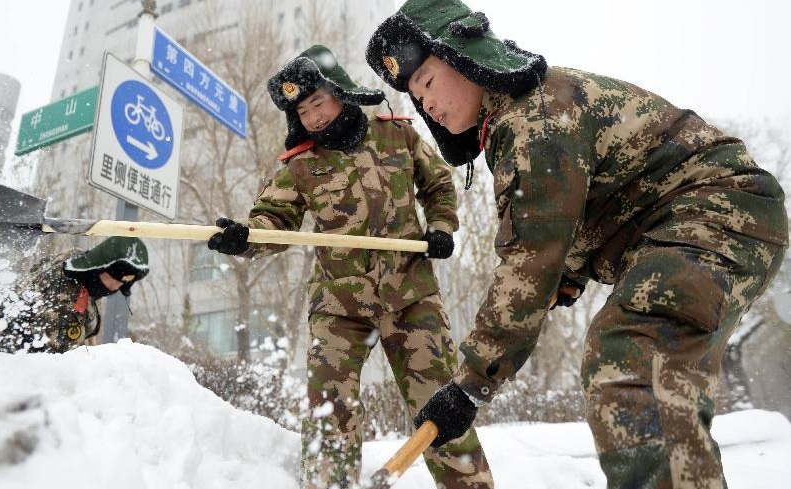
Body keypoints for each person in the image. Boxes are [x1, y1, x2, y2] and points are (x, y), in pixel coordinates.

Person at [365, 1, 789, 488]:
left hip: (714, 211)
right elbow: (567, 229)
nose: (426, 105)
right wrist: (564, 278)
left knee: (630, 363)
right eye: (416, 96)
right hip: (685, 225)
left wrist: (470, 384)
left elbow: (530, 262)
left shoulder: (535, 120)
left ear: (463, 57)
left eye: (428, 82)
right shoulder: (517, 117)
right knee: (633, 363)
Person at [207, 45, 493, 488]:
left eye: (317, 102)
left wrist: (440, 227)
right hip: (339, 306)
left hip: (411, 295)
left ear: (339, 91)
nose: (313, 117)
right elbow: (274, 222)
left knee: (441, 406)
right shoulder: (301, 164)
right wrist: (245, 238)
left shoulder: (396, 134)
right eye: (302, 112)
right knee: (330, 409)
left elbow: (438, 183)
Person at [0, 236, 150, 354]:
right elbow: (64, 361)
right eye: (114, 278)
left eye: (123, 283)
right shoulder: (67, 298)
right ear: (100, 268)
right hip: (11, 362)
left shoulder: (77, 264)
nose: (116, 286)